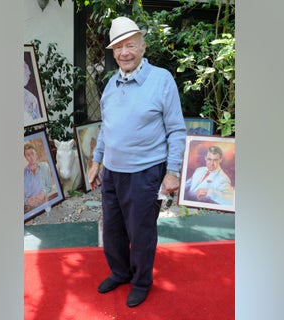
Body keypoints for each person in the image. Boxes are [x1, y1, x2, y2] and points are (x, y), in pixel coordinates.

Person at [87, 17, 187, 308]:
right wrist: (96, 162)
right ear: (113, 52)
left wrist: (173, 172)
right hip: (112, 172)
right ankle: (120, 272)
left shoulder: (162, 79)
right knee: (114, 229)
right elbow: (106, 127)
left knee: (141, 233)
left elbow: (176, 130)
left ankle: (142, 282)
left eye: (130, 44)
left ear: (143, 47)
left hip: (146, 173)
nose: (124, 52)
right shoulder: (110, 83)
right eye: (118, 47)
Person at [24, 143, 54, 210]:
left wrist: (43, 192)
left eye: (32, 153)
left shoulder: (45, 166)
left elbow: (49, 186)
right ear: (25, 157)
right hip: (29, 207)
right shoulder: (24, 174)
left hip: (44, 202)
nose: (31, 157)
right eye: (28, 155)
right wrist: (26, 201)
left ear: (36, 154)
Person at [23, 59, 41, 123]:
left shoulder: (31, 98)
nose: (29, 72)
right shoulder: (31, 98)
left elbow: (38, 123)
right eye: (25, 67)